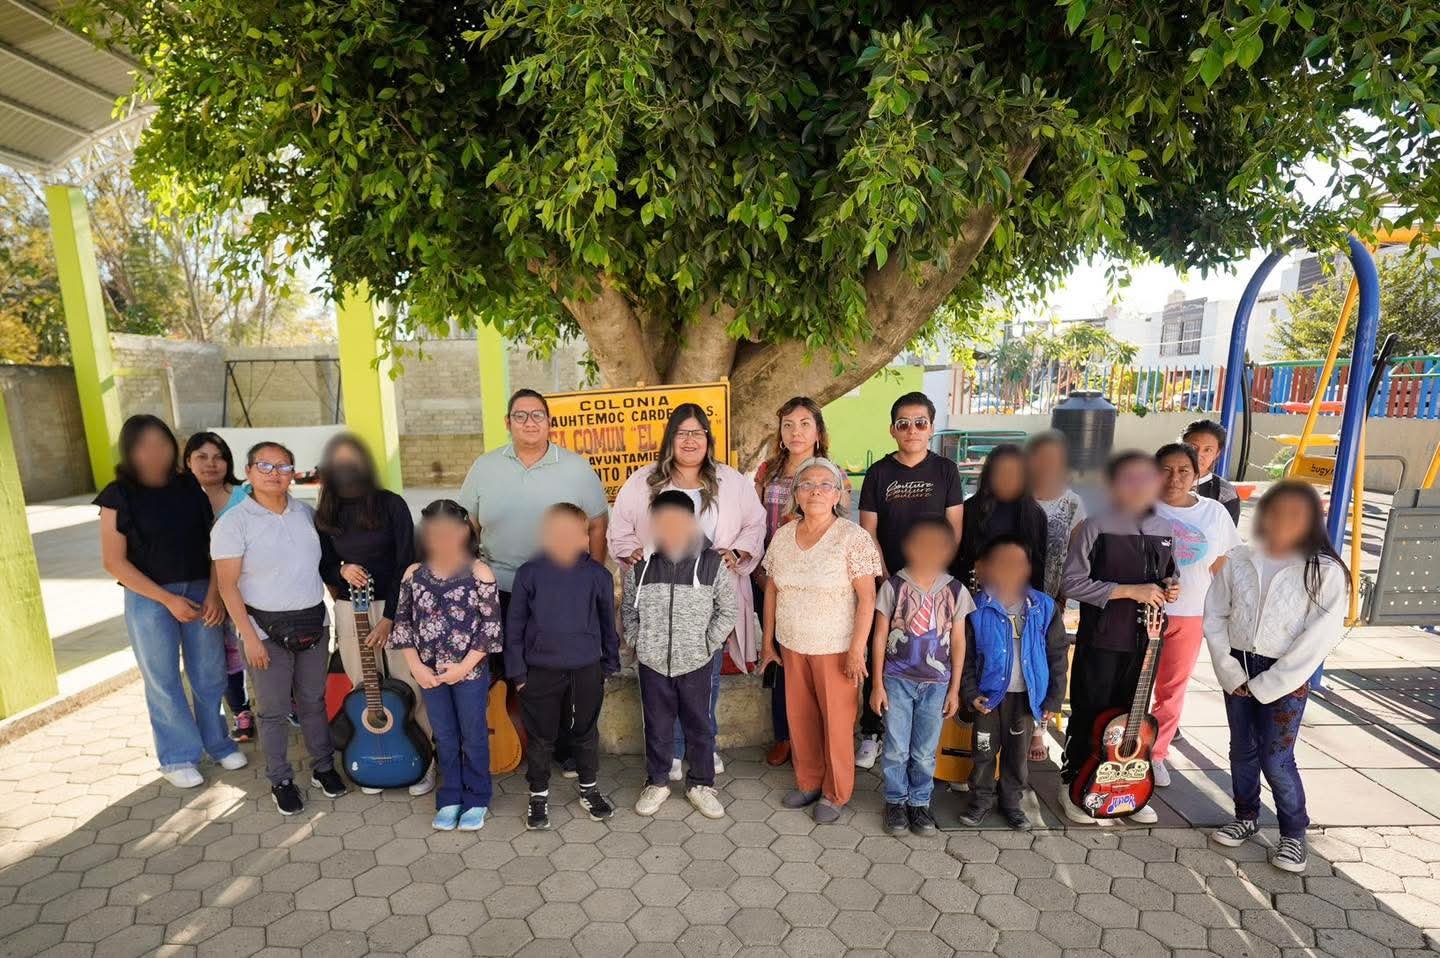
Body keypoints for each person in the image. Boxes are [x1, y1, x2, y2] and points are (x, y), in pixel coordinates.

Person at [610, 403, 765, 781]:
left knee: (704, 679)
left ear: (709, 439)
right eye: (682, 433)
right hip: (659, 598)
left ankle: (702, 748)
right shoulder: (645, 481)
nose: (690, 440)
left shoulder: (731, 482)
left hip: (707, 598)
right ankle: (672, 752)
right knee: (662, 682)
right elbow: (621, 527)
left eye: (698, 433)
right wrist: (632, 551)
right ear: (670, 439)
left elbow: (755, 523)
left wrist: (737, 552)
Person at [459, 388, 609, 778]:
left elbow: (597, 525)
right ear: (507, 422)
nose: (529, 422)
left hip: (559, 591)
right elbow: (467, 525)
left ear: (550, 422)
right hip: (498, 588)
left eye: (537, 415)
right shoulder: (485, 467)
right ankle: (508, 742)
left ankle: (564, 748)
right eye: (521, 415)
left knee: (559, 671)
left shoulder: (576, 468)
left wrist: (589, 579)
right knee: (504, 670)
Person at [1205, 481, 1348, 873]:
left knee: (1276, 757)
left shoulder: (1324, 570)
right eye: (1276, 511)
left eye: (1295, 513)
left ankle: (1293, 833)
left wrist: (1269, 684)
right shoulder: (1240, 558)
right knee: (1241, 749)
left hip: (1285, 673)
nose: (1284, 520)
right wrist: (1229, 670)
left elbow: (1317, 638)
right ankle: (1246, 815)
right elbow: (1215, 614)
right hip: (1239, 666)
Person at [97, 415, 245, 788]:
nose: (154, 452)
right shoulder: (117, 494)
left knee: (209, 672)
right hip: (149, 598)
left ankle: (218, 743)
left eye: (161, 443)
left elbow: (214, 543)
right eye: (143, 445)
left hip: (201, 590)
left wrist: (213, 593)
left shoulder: (189, 486)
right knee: (162, 677)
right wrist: (167, 599)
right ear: (129, 450)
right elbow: (114, 561)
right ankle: (178, 756)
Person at [212, 442, 347, 814]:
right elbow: (227, 586)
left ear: (293, 474)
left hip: (313, 623)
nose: (275, 473)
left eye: (283, 466)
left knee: (313, 702)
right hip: (264, 630)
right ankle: (281, 780)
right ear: (248, 472)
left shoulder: (306, 514)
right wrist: (249, 637)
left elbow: (324, 567)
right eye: (265, 465)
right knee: (272, 711)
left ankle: (323, 767)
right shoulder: (233, 523)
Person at [1059, 450, 1178, 826]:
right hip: (1103, 639)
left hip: (1148, 640)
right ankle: (1074, 782)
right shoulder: (1095, 527)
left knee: (1134, 717)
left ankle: (1124, 789)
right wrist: (1129, 591)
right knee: (1090, 712)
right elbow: (1072, 583)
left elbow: (1169, 573)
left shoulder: (1164, 528)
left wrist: (1170, 586)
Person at [761, 458, 883, 823]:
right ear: (796, 494)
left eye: (825, 485)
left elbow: (868, 598)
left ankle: (835, 792)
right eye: (807, 484)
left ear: (838, 495)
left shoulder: (853, 537)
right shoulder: (783, 536)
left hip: (836, 648)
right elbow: (772, 591)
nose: (816, 491)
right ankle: (809, 781)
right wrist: (768, 643)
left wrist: (857, 649)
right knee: (800, 719)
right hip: (792, 644)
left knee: (836, 723)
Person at [314, 433, 430, 796]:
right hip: (352, 609)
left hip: (397, 606)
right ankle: (375, 758)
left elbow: (407, 561)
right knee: (363, 685)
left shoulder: (391, 504)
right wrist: (341, 570)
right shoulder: (326, 511)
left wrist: (391, 617)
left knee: (409, 683)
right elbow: (324, 564)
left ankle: (422, 761)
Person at [856, 391, 964, 769]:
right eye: (903, 424)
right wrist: (886, 578)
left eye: (920, 423)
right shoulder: (879, 473)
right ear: (892, 430)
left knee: (927, 653)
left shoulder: (946, 471)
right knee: (880, 648)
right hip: (889, 581)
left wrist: (937, 578)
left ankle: (920, 736)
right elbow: (868, 531)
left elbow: (954, 529)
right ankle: (872, 731)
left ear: (931, 428)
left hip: (933, 582)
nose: (912, 430)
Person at [389, 500, 502, 831]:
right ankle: (451, 795)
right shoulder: (414, 573)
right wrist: (416, 667)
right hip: (429, 673)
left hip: (469, 671)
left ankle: (477, 796)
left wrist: (463, 668)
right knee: (445, 735)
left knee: (473, 735)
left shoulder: (479, 572)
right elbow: (403, 624)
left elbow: (491, 629)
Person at [625, 491, 739, 820]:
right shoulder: (641, 566)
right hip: (652, 663)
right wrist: (638, 641)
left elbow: (727, 610)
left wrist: (708, 644)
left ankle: (701, 784)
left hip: (696, 662)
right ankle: (657, 781)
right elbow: (629, 610)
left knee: (699, 725)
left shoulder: (712, 563)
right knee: (657, 725)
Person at [506, 503, 621, 830]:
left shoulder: (598, 576)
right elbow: (514, 627)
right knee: (541, 737)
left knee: (585, 732)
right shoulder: (529, 573)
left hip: (587, 670)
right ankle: (538, 794)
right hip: (539, 672)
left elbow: (607, 623)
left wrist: (608, 666)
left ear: (586, 538)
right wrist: (518, 674)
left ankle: (589, 788)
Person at [752, 397, 852, 768]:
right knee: (780, 657)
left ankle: (818, 738)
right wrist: (760, 573)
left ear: (819, 431)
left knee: (818, 662)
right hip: (773, 578)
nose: (796, 432)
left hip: (819, 586)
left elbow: (843, 530)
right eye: (788, 425)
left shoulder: (834, 474)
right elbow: (755, 525)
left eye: (805, 424)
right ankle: (786, 735)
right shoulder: (767, 472)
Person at [957, 536, 1068, 831]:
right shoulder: (976, 608)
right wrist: (970, 693)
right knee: (983, 752)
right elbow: (965, 656)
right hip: (988, 699)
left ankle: (1011, 802)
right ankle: (980, 800)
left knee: (1017, 756)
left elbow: (1057, 655)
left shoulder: (1043, 607)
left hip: (1025, 698)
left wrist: (1053, 698)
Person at [869, 516, 971, 837]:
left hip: (936, 684)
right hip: (897, 680)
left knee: (925, 750)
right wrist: (877, 684)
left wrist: (954, 689)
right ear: (908, 547)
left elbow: (958, 641)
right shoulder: (893, 586)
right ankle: (895, 801)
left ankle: (919, 802)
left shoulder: (955, 590)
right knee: (896, 747)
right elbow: (879, 636)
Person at [1150, 442, 1241, 787]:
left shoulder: (1213, 513)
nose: (1174, 478)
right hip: (1143, 612)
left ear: (1197, 474)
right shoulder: (1142, 507)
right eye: (1165, 470)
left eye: (1183, 471)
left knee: (1172, 688)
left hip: (1190, 615)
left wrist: (1225, 610)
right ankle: (1121, 750)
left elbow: (1223, 563)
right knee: (1131, 685)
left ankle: (1155, 754)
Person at [182, 430, 253, 742]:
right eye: (202, 457)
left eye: (218, 457)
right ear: (188, 461)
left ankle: (286, 703)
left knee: (262, 646)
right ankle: (241, 711)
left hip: (248, 588)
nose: (211, 464)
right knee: (226, 654)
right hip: (206, 591)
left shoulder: (245, 495)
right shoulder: (180, 500)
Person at [952, 443, 1047, 594]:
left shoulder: (1036, 515)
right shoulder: (969, 510)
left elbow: (1038, 571)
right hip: (974, 598)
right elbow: (955, 562)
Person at [1025, 430, 1088, 601]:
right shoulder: (1015, 498)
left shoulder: (1073, 503)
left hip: (1050, 600)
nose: (1047, 464)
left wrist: (1063, 597)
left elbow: (1075, 557)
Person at [1182, 419, 1241, 524]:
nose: (1198, 455)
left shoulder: (1225, 493)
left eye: (1208, 450)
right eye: (1192, 447)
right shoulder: (1158, 482)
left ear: (1217, 454)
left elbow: (1226, 532)